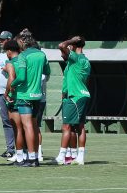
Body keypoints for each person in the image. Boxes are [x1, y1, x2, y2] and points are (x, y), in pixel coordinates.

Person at [9, 29, 50, 167]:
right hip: (37, 95)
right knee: (34, 126)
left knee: (27, 127)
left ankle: (31, 159)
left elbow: (21, 77)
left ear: (22, 41)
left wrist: (12, 85)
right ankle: (35, 157)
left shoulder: (23, 56)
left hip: (24, 95)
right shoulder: (41, 54)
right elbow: (47, 71)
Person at [56, 36, 91, 165]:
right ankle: (78, 156)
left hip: (75, 97)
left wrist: (71, 41)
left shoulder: (76, 58)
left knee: (67, 126)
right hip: (80, 95)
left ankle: (61, 156)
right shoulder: (84, 60)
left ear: (74, 45)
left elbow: (61, 45)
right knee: (78, 126)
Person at [1, 39, 25, 165]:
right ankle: (27, 153)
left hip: (14, 98)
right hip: (26, 96)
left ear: (9, 51)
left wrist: (6, 93)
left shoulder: (10, 62)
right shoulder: (24, 60)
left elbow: (11, 78)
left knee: (17, 128)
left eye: (6, 51)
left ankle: (19, 155)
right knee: (26, 128)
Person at [0, 30, 16, 159]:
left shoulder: (15, 55)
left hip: (14, 93)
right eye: (0, 39)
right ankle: (10, 149)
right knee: (6, 121)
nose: (0, 41)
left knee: (16, 121)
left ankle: (22, 149)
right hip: (1, 92)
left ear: (9, 39)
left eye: (3, 39)